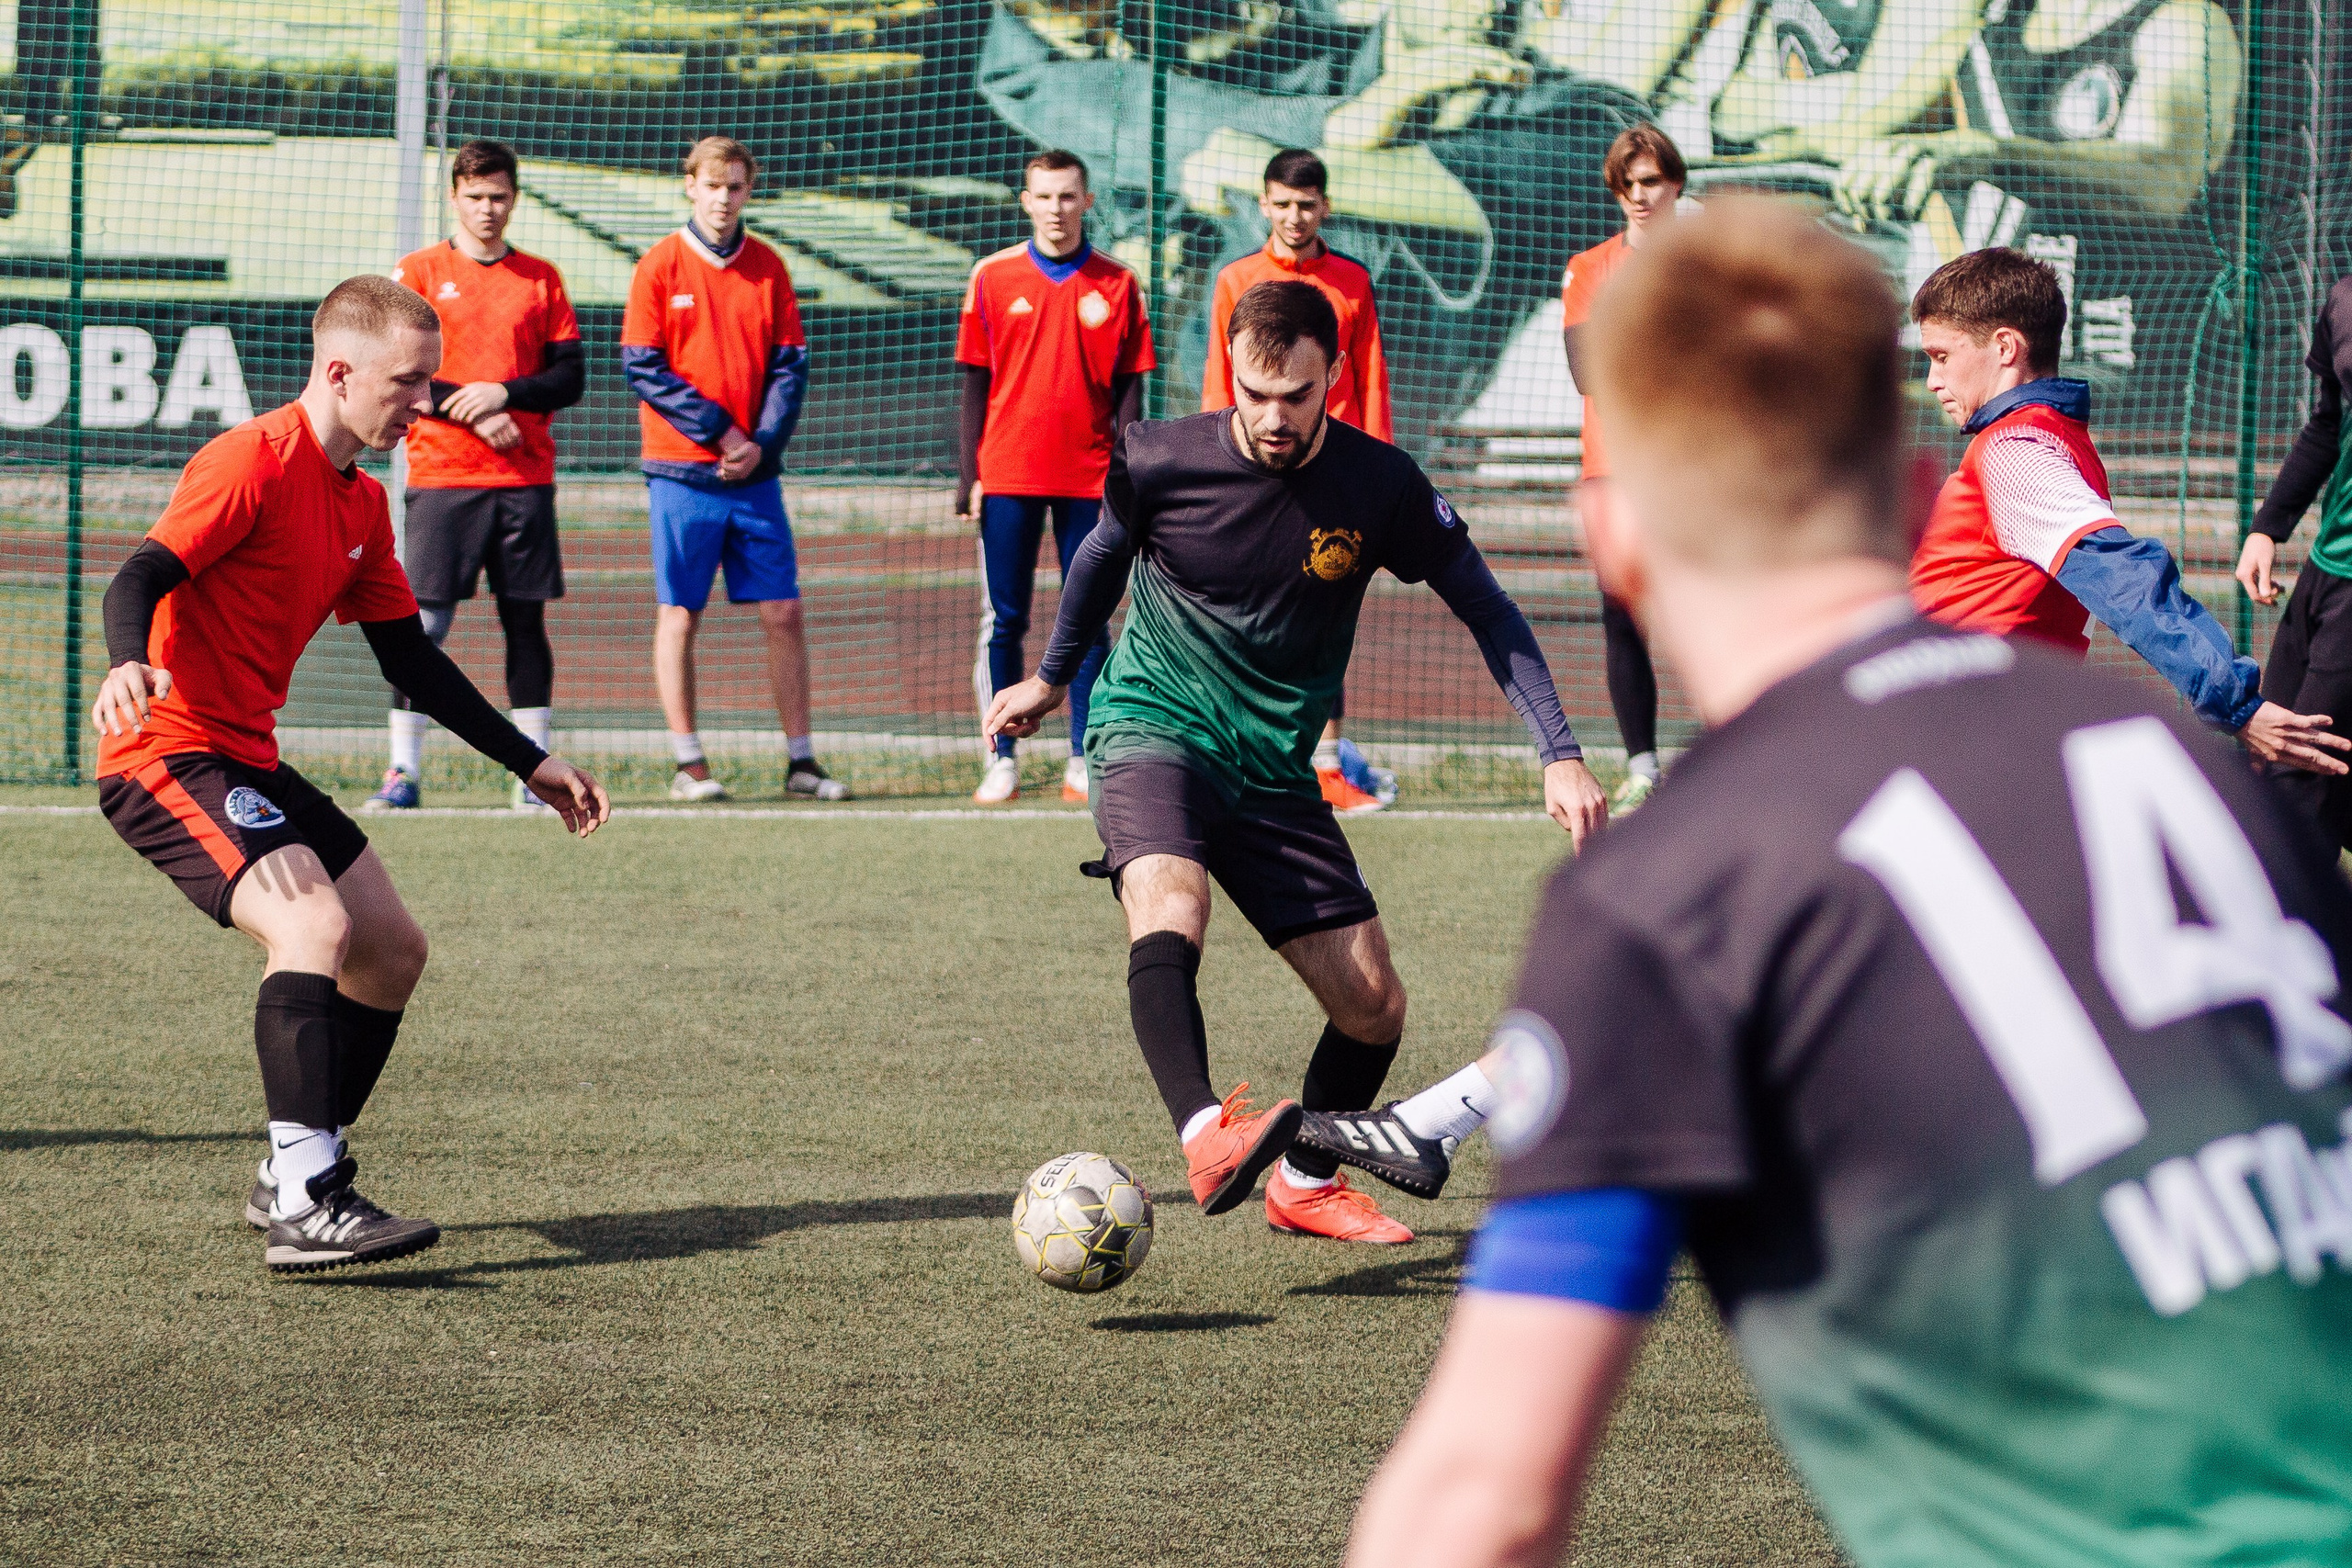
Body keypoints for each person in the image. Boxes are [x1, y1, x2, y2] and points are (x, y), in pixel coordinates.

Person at [1345, 197, 2352, 1568]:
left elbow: (1482, 1496)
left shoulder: (1699, 857)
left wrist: (2236, 690)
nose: (1934, 386)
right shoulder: (2199, 788)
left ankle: (1441, 1119)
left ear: (1613, 534)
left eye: (1943, 358)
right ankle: (1442, 1116)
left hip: (1890, 799)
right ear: (1912, 497)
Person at [985, 280, 1607, 1247]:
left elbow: (1489, 609)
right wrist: (1053, 676)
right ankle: (1205, 1135)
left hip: (1274, 769)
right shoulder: (1156, 457)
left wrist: (1559, 753)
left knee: (1372, 1006)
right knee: (1168, 902)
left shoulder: (1381, 486)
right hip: (1155, 724)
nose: (1275, 418)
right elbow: (1102, 556)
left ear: (1334, 381)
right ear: (1229, 374)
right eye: (1255, 392)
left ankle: (1305, 1182)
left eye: (1299, 396)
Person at [90, 276, 610, 1275]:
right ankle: (307, 1193)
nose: (424, 405)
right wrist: (126, 661)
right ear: (340, 372)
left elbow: (411, 663)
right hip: (164, 754)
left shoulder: (364, 503)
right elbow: (141, 574)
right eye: (408, 385)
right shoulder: (252, 458)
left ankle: (289, 1166)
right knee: (312, 927)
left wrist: (533, 761)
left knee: (389, 951)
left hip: (246, 753)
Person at [1907, 245, 2346, 777]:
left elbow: (2121, 574)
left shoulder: (2016, 453)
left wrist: (2234, 702)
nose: (1932, 380)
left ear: (2004, 347)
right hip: (1967, 722)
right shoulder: (2041, 437)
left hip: (1966, 731)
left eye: (1941, 356)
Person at [621, 134, 848, 803]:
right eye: (712, 185)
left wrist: (760, 445)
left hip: (754, 476)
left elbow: (789, 365)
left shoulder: (769, 266)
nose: (723, 198)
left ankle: (801, 761)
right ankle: (689, 762)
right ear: (689, 185)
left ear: (749, 191)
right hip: (679, 473)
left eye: (736, 186)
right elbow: (644, 365)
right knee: (680, 614)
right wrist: (721, 432)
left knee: (783, 611)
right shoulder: (659, 265)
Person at [366, 138, 584, 816]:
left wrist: (504, 395)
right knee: (422, 628)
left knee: (525, 625)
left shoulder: (541, 278)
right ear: (454, 198)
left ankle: (533, 776)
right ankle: (403, 771)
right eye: (475, 196)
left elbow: (569, 377)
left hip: (523, 483)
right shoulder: (421, 271)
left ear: (514, 199)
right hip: (442, 477)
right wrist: (476, 411)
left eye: (499, 196)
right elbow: (399, 370)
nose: (487, 209)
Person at [1201, 146, 1396, 816]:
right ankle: (1233, 752)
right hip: (1256, 474)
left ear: (1326, 207)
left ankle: (1327, 764)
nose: (1294, 215)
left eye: (1306, 204)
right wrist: (1214, 465)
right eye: (1282, 203)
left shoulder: (1351, 281)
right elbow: (1217, 380)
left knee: (1326, 619)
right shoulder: (1236, 279)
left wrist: (1380, 470)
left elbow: (1370, 376)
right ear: (1263, 205)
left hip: (1332, 477)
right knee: (1243, 615)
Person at [956, 149, 1154, 806]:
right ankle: (1000, 756)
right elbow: (974, 385)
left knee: (1091, 618)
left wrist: (1128, 476)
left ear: (1087, 202)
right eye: (1044, 197)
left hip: (1090, 478)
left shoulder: (1119, 283)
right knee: (1004, 619)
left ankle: (1084, 754)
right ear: (1025, 201)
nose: (1057, 210)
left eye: (1068, 197)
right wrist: (968, 475)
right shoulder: (991, 276)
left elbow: (1131, 395)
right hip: (1008, 474)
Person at [1561, 123, 1679, 811]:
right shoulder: (1589, 268)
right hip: (1614, 469)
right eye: (1628, 184)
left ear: (1675, 184)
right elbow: (1586, 371)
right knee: (1623, 617)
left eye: (1652, 181)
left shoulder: (1702, 263)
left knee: (1714, 608)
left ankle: (1740, 753)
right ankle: (1644, 766)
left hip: (1692, 468)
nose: (1640, 195)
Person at [2237, 272, 2352, 850]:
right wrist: (2267, 528)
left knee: (2298, 778)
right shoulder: (2344, 298)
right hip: (2324, 570)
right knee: (2270, 752)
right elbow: (2330, 424)